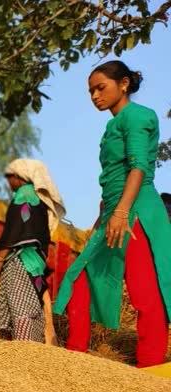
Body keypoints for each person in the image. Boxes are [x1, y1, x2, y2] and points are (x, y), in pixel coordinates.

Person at [53, 61, 171, 368]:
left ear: (124, 84)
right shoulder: (111, 126)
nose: (94, 96)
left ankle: (151, 365)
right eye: (90, 90)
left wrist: (121, 213)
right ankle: (75, 354)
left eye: (100, 87)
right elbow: (111, 180)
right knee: (79, 275)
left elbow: (138, 168)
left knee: (145, 289)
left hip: (138, 212)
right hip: (114, 213)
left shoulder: (138, 116)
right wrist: (101, 220)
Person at [0, 159, 66, 343]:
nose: (8, 183)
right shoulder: (38, 199)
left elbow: (16, 228)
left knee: (20, 305)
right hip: (36, 262)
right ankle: (32, 349)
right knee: (33, 304)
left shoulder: (24, 195)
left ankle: (24, 349)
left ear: (19, 177)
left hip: (21, 260)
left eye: (10, 178)